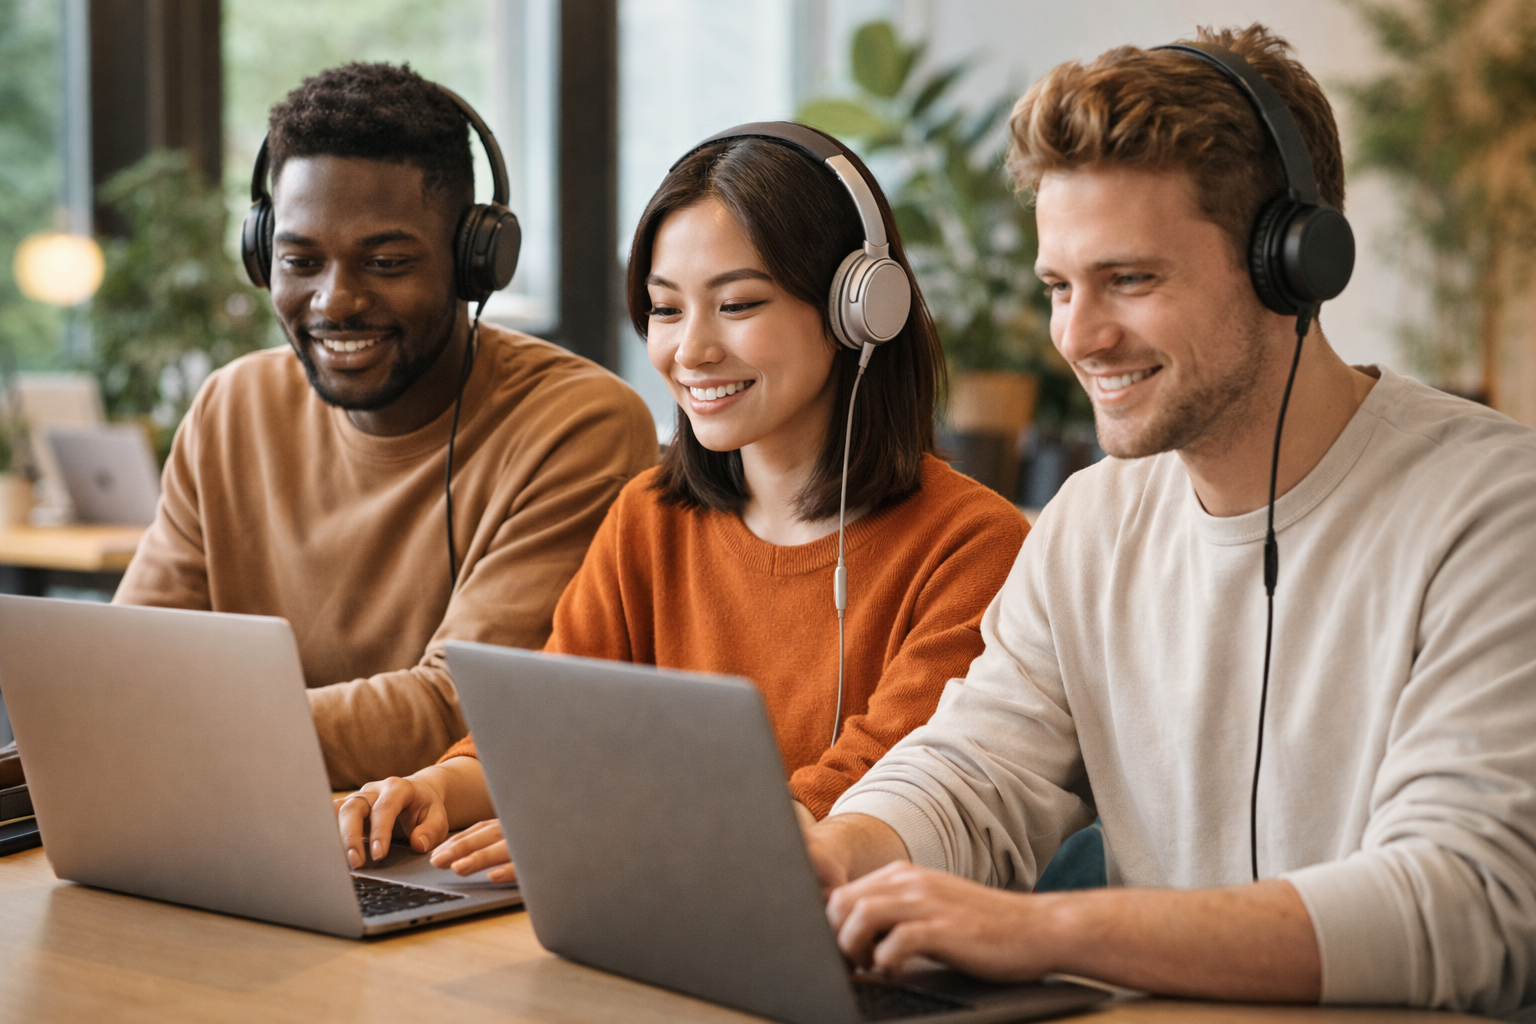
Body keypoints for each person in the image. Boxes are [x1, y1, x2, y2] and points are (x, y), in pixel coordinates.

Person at [806, 24, 1536, 1017]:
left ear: (1293, 265)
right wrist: (838, 856)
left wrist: (1045, 933)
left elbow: (1462, 907)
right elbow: (973, 771)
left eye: (1130, 280)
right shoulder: (1090, 523)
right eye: (1060, 287)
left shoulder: (1495, 515)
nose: (1078, 335)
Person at [337, 124, 1030, 879]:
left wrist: (621, 832)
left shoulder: (973, 546)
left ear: (856, 312)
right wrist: (436, 786)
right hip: (648, 915)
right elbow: (560, 727)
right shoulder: (650, 518)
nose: (690, 351)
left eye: (736, 305)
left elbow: (874, 788)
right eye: (666, 310)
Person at [114, 63, 656, 788]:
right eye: (300, 260)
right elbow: (129, 666)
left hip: (438, 849)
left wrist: (189, 730)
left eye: (387, 261)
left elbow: (466, 707)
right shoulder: (231, 407)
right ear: (260, 253)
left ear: (475, 261)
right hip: (241, 810)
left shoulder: (577, 423)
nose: (337, 300)